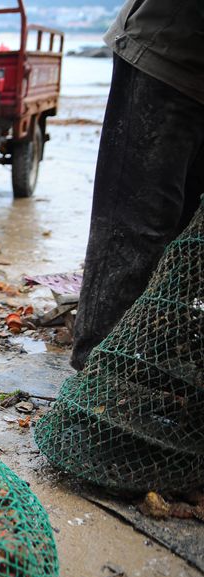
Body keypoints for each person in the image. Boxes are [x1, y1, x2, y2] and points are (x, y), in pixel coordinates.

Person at [70, 0, 204, 370]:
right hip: (165, 56)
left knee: (188, 237)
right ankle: (99, 375)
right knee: (136, 227)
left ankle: (159, 355)